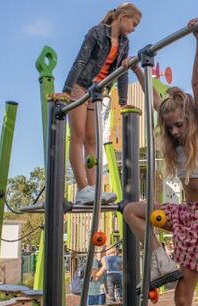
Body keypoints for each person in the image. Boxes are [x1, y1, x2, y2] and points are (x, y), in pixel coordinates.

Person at [123, 19, 198, 306]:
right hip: (184, 214)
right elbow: (156, 101)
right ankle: (159, 261)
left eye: (180, 123)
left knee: (183, 297)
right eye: (171, 127)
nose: (176, 130)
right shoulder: (175, 142)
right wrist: (138, 69)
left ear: (191, 118)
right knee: (132, 210)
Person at [62, 3, 142, 204]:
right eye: (134, 23)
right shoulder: (96, 32)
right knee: (78, 136)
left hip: (97, 92)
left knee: (92, 139)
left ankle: (94, 190)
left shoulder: (124, 43)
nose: (134, 28)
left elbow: (121, 72)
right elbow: (80, 61)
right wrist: (66, 91)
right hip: (80, 86)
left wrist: (123, 101)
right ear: (123, 17)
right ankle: (82, 189)